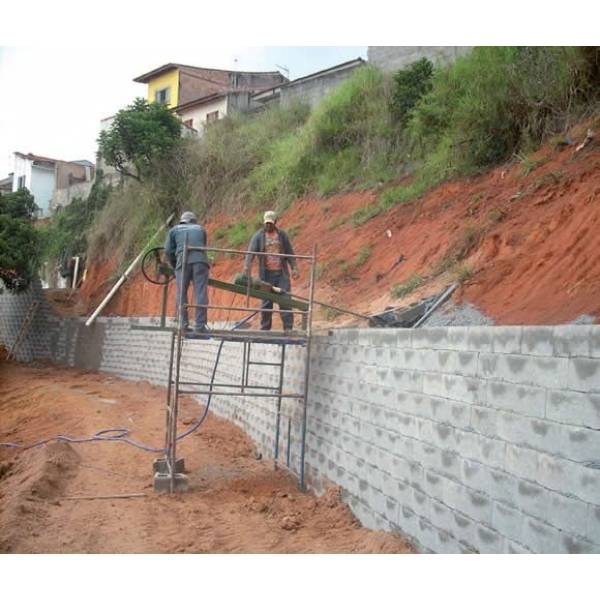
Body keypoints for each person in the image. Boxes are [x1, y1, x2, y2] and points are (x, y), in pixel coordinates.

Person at [244, 211, 299, 331]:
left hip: (281, 274)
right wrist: (247, 267)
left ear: (275, 223)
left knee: (285, 301)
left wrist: (294, 267)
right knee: (266, 303)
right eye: (266, 223)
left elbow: (289, 252)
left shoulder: (282, 235)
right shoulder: (258, 236)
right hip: (266, 275)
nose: (268, 225)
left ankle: (288, 329)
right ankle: (265, 329)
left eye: (270, 223)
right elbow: (250, 253)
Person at [164, 211, 210, 333]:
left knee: (181, 293)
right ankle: (200, 326)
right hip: (200, 262)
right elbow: (204, 248)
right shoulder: (201, 229)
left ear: (182, 221)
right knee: (200, 292)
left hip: (182, 262)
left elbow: (168, 251)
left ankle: (183, 324)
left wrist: (175, 266)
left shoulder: (174, 230)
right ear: (194, 221)